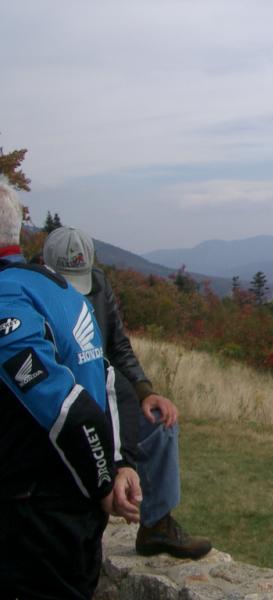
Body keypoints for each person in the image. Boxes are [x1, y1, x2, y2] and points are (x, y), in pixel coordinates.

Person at [0, 179, 141, 599]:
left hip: (35, 521)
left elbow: (67, 409)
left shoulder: (7, 300)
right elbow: (107, 379)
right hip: (67, 518)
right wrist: (116, 464)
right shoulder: (60, 289)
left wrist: (102, 484)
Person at [44, 226, 212, 559]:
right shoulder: (29, 295)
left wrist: (145, 392)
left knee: (160, 421)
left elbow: (119, 346)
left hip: (107, 396)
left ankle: (156, 526)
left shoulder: (98, 284)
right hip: (60, 407)